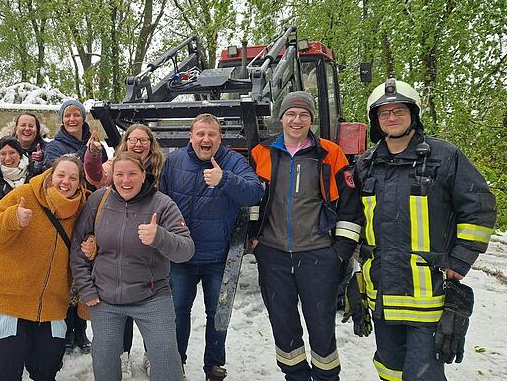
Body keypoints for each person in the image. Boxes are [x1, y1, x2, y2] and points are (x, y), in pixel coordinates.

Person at [355, 79, 496, 380]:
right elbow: (353, 218)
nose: (391, 118)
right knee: (389, 369)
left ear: (413, 114)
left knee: (423, 374)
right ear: (376, 121)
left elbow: (479, 206)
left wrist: (459, 261)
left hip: (426, 295)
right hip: (382, 293)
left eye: (398, 111)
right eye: (384, 113)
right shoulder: (366, 164)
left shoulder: (443, 156)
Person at [248, 91, 364, 381]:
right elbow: (250, 202)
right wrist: (254, 239)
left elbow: (350, 208)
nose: (296, 120)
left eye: (303, 114)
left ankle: (326, 377)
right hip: (272, 255)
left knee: (321, 326)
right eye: (291, 114)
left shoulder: (330, 153)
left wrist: (339, 252)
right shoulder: (261, 153)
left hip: (318, 255)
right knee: (283, 325)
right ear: (281, 117)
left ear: (311, 119)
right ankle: (295, 376)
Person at [160, 113, 265, 380]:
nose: (205, 139)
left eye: (212, 134)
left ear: (220, 138)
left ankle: (214, 366)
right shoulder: (174, 162)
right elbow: (161, 201)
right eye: (200, 134)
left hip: (219, 257)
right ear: (191, 137)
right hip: (181, 255)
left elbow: (255, 192)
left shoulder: (233, 162)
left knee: (218, 313)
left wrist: (225, 179)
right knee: (178, 311)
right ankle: (176, 362)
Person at [72, 152, 194, 381]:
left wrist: (160, 236)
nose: (125, 180)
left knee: (167, 364)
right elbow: (78, 245)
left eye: (132, 174)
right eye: (119, 174)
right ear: (112, 176)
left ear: (143, 174)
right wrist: (85, 287)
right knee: (105, 363)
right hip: (105, 298)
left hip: (152, 296)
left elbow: (186, 250)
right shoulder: (99, 200)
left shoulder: (162, 203)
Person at [0, 155, 88, 381]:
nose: (66, 181)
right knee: (5, 372)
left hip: (49, 305)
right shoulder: (25, 194)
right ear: (50, 175)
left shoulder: (82, 208)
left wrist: (90, 245)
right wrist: (12, 219)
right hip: (5, 299)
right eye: (61, 175)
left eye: (73, 177)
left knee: (47, 369)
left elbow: (88, 239)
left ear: (80, 182)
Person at [83, 123, 165, 375]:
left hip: (151, 249)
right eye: (133, 139)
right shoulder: (115, 165)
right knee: (119, 310)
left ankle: (154, 355)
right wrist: (94, 154)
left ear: (151, 144)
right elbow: (96, 175)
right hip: (116, 241)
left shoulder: (163, 168)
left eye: (143, 140)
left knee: (152, 310)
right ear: (125, 143)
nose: (138, 144)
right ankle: (123, 353)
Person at [44, 98, 107, 351]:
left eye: (76, 115)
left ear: (83, 118)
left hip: (88, 210)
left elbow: (99, 174)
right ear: (62, 119)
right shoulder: (54, 146)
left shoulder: (94, 144)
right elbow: (60, 174)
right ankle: (67, 332)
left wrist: (96, 153)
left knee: (85, 273)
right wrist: (88, 154)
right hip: (64, 215)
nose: (72, 119)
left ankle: (81, 331)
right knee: (66, 275)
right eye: (67, 115)